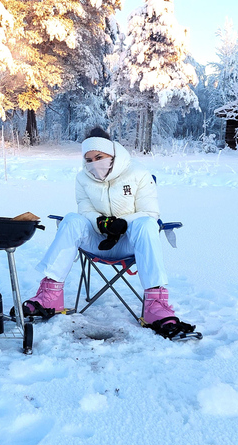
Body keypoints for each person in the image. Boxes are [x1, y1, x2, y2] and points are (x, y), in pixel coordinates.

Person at [23, 126, 193, 334]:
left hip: (129, 245)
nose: (94, 163)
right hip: (98, 242)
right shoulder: (82, 178)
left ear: (111, 153)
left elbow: (150, 213)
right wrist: (102, 223)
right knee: (72, 220)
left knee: (148, 224)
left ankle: (156, 305)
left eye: (99, 156)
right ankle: (50, 296)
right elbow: (84, 210)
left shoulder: (138, 173)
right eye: (88, 159)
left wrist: (121, 223)